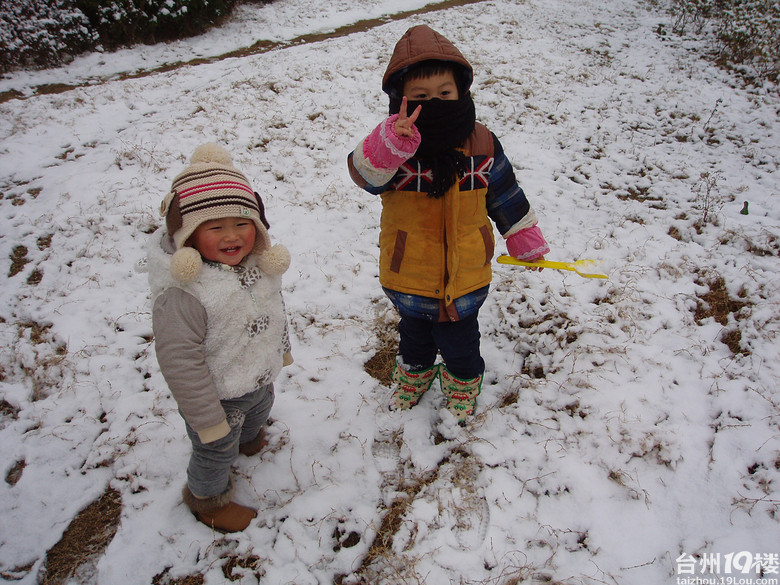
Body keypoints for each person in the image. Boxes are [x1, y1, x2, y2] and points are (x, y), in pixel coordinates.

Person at [346, 25, 550, 423]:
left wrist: (523, 236)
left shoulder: (482, 143)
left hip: (466, 274)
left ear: (461, 92)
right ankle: (414, 375)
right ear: (401, 100)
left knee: (461, 343)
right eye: (421, 97)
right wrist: (389, 147)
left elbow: (504, 192)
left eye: (444, 93)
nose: (434, 103)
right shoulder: (394, 147)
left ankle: (462, 383)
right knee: (415, 337)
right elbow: (365, 177)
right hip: (409, 272)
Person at [147, 143, 293, 532]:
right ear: (188, 238)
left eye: (242, 223)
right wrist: (206, 419)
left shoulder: (256, 265)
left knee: (259, 410)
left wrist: (282, 351)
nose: (232, 236)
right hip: (216, 397)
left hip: (257, 377)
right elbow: (180, 362)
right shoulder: (184, 294)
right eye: (215, 228)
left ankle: (248, 439)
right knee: (215, 450)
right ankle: (207, 501)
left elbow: (273, 309)